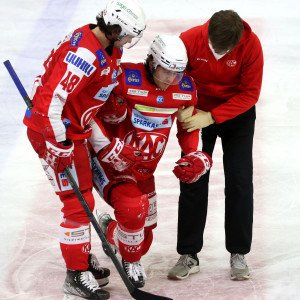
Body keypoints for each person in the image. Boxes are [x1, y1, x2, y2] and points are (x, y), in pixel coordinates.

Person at [23, 0, 146, 299]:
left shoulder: (107, 47)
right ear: (115, 29)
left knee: (84, 202)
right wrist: (58, 143)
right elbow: (49, 102)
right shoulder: (84, 55)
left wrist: (102, 145)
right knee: (78, 204)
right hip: (53, 133)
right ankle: (75, 274)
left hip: (72, 131)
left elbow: (82, 107)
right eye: (128, 35)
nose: (129, 42)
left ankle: (80, 256)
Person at [89, 34, 213, 288]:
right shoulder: (123, 77)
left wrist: (192, 154)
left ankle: (109, 229)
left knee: (143, 240)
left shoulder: (185, 88)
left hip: (145, 170)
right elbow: (89, 109)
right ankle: (130, 261)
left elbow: (187, 126)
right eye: (165, 71)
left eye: (176, 73)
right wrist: (107, 137)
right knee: (135, 212)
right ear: (151, 61)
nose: (170, 79)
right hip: (114, 163)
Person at [168, 10, 264, 281]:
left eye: (224, 51)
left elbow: (250, 93)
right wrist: (184, 109)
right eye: (213, 48)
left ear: (238, 41)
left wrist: (212, 117)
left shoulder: (252, 45)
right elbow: (174, 78)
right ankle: (188, 254)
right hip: (197, 111)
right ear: (206, 31)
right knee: (192, 178)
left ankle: (238, 252)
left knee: (240, 181)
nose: (218, 54)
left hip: (237, 117)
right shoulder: (188, 40)